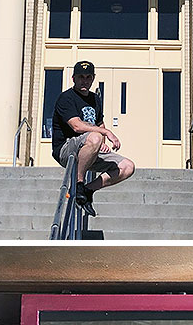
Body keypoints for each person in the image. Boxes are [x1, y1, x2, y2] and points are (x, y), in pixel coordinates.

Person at [51, 60, 135, 216]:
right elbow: (76, 125)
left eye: (88, 77)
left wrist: (102, 142)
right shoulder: (66, 98)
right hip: (66, 149)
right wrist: (105, 133)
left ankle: (88, 190)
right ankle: (78, 184)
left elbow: (99, 123)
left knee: (127, 166)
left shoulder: (95, 99)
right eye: (81, 77)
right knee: (95, 137)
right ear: (73, 78)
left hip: (90, 147)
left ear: (93, 78)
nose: (85, 80)